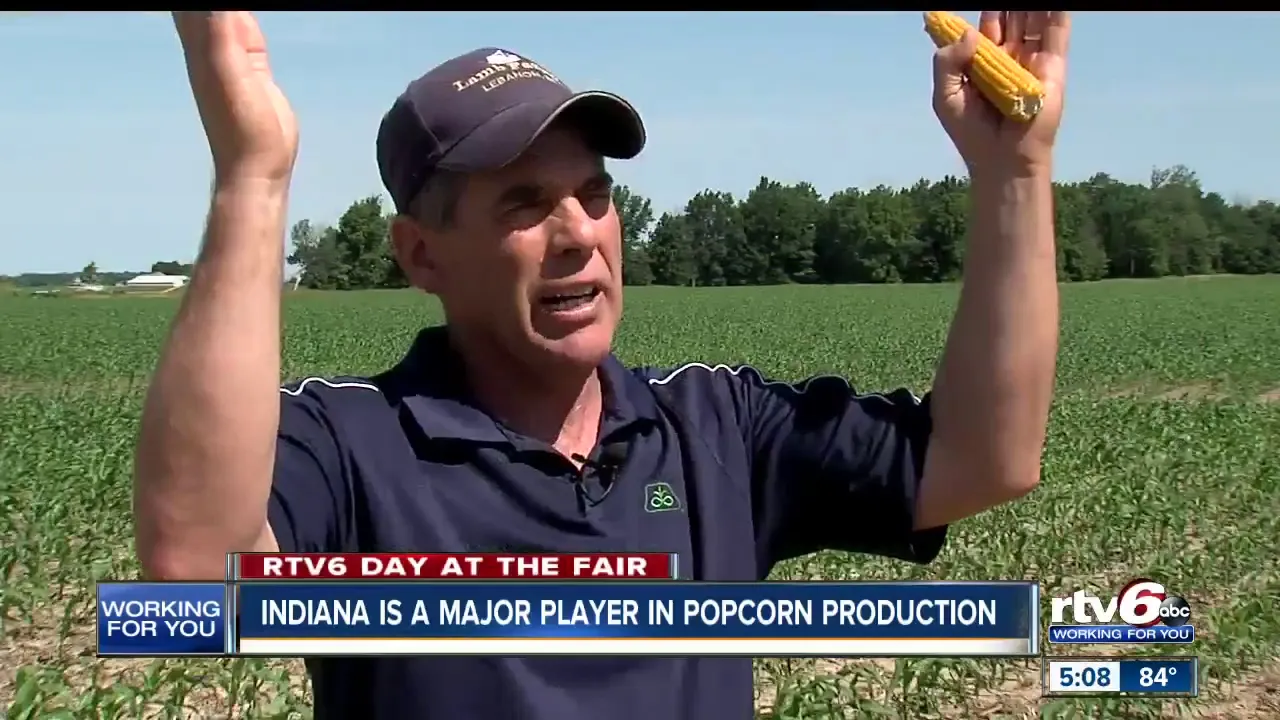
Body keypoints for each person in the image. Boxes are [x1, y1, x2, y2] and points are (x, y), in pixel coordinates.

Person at [135, 10, 1069, 720]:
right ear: (422, 255)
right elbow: (194, 576)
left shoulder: (713, 430)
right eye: (525, 202)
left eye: (594, 193)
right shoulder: (354, 446)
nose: (580, 234)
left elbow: (983, 460)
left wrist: (1015, 175)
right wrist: (253, 176)